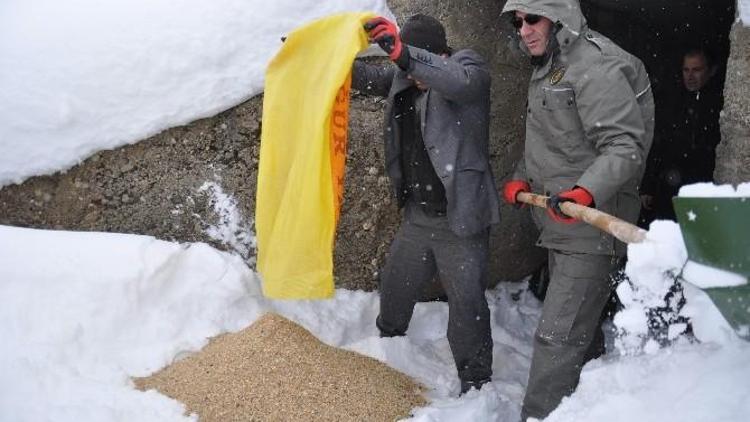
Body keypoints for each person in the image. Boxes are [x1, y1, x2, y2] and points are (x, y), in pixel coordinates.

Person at [499, 0, 654, 419]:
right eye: (518, 21)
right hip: (558, 223)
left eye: (533, 19)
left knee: (557, 336)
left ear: (559, 17)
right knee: (577, 331)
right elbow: (553, 141)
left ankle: (540, 415)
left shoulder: (596, 67)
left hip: (590, 229)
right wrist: (521, 175)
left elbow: (624, 148)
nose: (524, 29)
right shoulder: (549, 65)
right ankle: (589, 406)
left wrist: (586, 192)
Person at [352, 14, 500, 395]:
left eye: (418, 62)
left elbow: (456, 80)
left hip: (460, 219)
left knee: (466, 307)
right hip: (418, 216)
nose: (413, 74)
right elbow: (366, 79)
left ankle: (476, 382)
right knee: (396, 287)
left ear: (442, 53)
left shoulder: (469, 70)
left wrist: (407, 55)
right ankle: (387, 351)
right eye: (406, 63)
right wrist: (317, 56)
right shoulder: (405, 77)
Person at [640, 47, 722, 223]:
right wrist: (648, 186)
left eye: (697, 70)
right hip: (670, 188)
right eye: (686, 70)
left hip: (704, 188)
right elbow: (658, 144)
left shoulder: (720, 106)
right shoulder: (672, 102)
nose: (690, 76)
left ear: (711, 71)